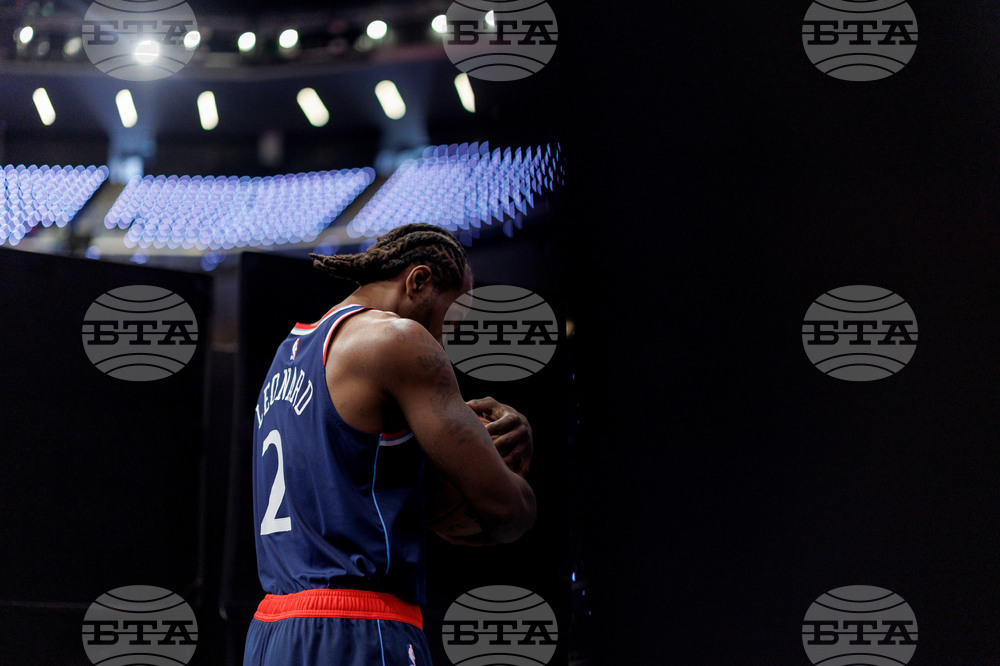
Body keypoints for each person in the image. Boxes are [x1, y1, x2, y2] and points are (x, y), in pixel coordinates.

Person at [243, 223, 537, 666]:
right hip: (359, 630)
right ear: (418, 281)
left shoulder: (289, 351)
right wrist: (520, 460)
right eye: (450, 317)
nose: (445, 341)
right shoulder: (399, 339)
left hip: (272, 631)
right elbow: (506, 511)